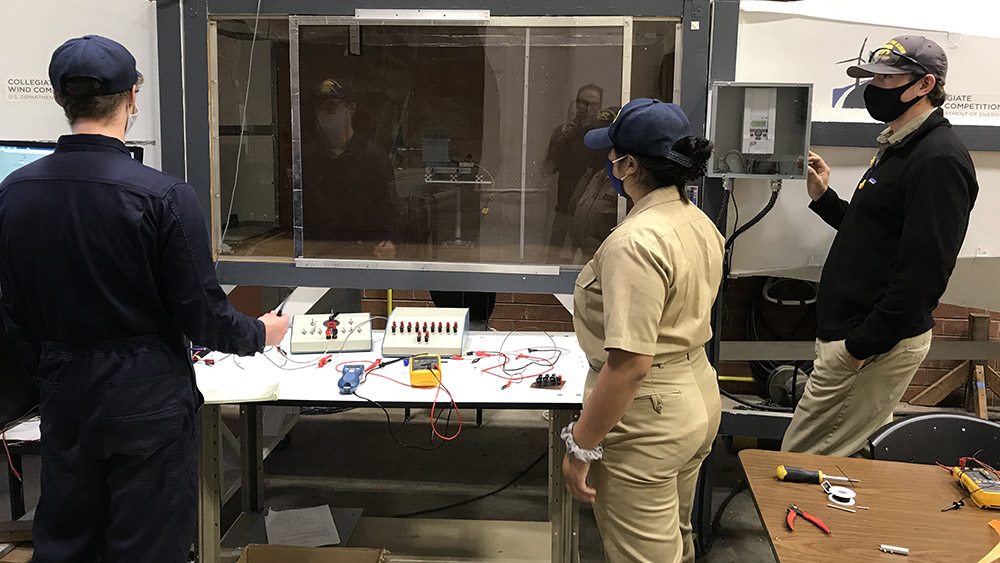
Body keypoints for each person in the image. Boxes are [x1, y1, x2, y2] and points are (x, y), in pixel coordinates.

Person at [0, 35, 289, 562]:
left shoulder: (14, 192)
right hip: (147, 401)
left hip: (65, 399)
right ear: (133, 96)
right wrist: (260, 333)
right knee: (148, 548)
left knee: (65, 543)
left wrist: (53, 370)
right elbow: (204, 316)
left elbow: (13, 313)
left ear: (62, 100)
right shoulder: (162, 196)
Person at [781, 36, 978, 456]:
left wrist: (859, 349)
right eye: (871, 76)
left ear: (925, 85)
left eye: (886, 79)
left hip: (868, 344)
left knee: (803, 462)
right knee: (846, 460)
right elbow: (876, 233)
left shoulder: (938, 159)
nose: (873, 86)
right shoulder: (901, 145)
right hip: (857, 338)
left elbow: (924, 274)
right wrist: (825, 199)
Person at [561, 98, 724, 562]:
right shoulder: (697, 221)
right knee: (674, 538)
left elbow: (631, 364)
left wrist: (581, 445)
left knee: (644, 555)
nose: (607, 165)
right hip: (695, 395)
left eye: (612, 155)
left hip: (647, 414)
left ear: (629, 165)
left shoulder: (635, 241)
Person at [302, 78, 401, 258]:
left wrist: (389, 243)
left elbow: (390, 212)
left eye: (331, 108)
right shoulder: (307, 158)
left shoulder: (373, 158)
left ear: (351, 109)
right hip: (316, 256)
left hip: (364, 255)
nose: (324, 116)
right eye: (319, 109)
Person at [543, 84, 604, 259]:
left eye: (593, 104)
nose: (587, 108)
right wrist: (562, 140)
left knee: (585, 258)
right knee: (553, 255)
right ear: (576, 103)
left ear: (600, 107)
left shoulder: (599, 135)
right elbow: (547, 169)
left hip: (588, 207)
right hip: (561, 205)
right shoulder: (563, 132)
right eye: (583, 103)